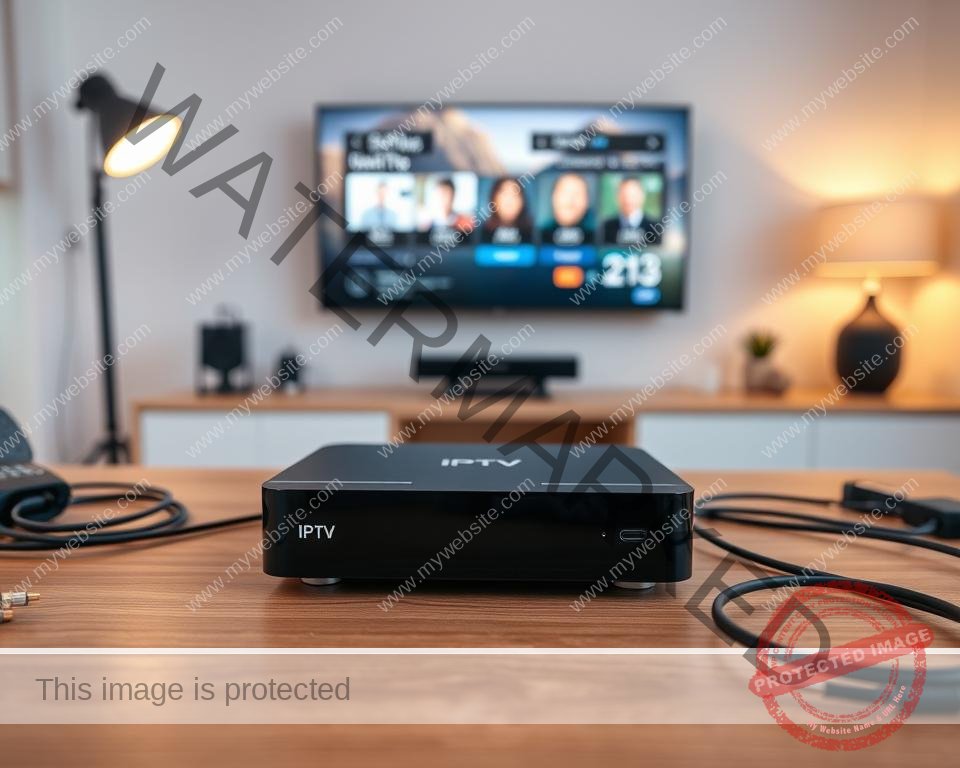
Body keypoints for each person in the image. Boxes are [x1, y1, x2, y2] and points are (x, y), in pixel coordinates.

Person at [603, 177, 659, 244]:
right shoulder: (606, 227)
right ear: (617, 197)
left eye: (632, 195)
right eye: (624, 195)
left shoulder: (655, 228)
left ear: (642, 196)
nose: (628, 200)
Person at [541, 173, 591, 244]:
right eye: (565, 193)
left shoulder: (596, 235)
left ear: (587, 200)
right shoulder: (540, 235)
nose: (570, 201)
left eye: (577, 194)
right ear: (553, 197)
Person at [482, 177, 532, 243]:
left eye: (515, 195)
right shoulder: (482, 235)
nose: (509, 202)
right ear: (494, 199)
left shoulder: (532, 235)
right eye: (504, 194)